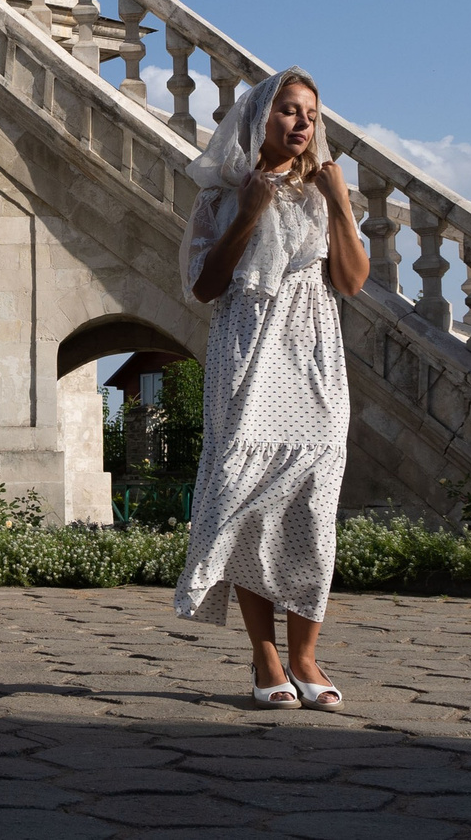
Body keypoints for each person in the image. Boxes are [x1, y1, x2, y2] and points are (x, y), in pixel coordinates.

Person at [172, 66, 369, 710]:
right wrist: (250, 213)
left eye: (310, 113)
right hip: (247, 350)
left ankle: (307, 657)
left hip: (312, 353)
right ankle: (265, 657)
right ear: (261, 118)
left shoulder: (323, 193)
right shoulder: (221, 197)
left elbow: (351, 280)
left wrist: (341, 204)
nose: (302, 123)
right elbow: (204, 286)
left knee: (313, 501)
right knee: (247, 498)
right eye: (288, 110)